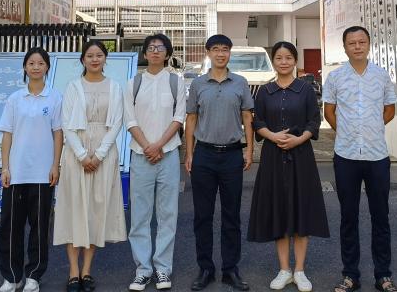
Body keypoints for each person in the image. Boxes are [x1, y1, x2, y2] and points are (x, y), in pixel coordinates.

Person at [322, 26, 397, 292]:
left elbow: (390, 109)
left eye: (362, 42)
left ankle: (383, 275)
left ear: (368, 45)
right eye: (352, 43)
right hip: (346, 155)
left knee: (381, 216)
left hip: (377, 155)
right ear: (345, 47)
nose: (357, 46)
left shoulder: (381, 75)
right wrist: (346, 131)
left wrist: (372, 128)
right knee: (348, 217)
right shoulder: (335, 77)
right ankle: (350, 275)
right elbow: (329, 111)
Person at [247, 41, 329, 292]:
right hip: (272, 157)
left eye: (288, 57)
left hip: (301, 156)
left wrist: (298, 139)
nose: (284, 62)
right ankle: (284, 269)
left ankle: (300, 271)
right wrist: (273, 136)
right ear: (273, 61)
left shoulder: (305, 89)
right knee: (279, 210)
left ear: (295, 61)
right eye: (279, 58)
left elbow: (314, 121)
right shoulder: (265, 91)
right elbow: (257, 122)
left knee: (301, 209)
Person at [54, 40, 126, 292]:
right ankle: (73, 271)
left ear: (105, 58)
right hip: (76, 154)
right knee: (74, 209)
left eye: (99, 55)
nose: (95, 59)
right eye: (90, 55)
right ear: (82, 59)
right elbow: (67, 124)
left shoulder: (115, 87)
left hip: (104, 154)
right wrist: (83, 155)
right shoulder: (73, 87)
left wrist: (99, 155)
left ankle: (87, 270)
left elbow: (116, 123)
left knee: (96, 209)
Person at [185, 33, 255, 291]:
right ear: (208, 53)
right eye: (215, 49)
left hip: (232, 155)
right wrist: (189, 153)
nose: (220, 53)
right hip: (204, 155)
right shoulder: (198, 84)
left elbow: (247, 117)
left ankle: (230, 270)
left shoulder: (240, 82)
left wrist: (250, 151)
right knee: (202, 216)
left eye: (225, 49)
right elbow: (191, 119)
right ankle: (205, 268)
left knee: (231, 215)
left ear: (229, 53)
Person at [0, 47, 64, 292]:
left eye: (40, 63)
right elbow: (7, 134)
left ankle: (34, 275)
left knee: (40, 226)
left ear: (47, 67)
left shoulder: (55, 97)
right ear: (25, 67)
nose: (36, 67)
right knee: (10, 226)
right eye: (31, 63)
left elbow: (58, 134)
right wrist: (5, 167)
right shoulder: (15, 98)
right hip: (16, 172)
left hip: (43, 173)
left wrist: (55, 165)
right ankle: (12, 277)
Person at [124, 33, 186, 291]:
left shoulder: (176, 82)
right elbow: (130, 120)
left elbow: (179, 117)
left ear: (167, 53)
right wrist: (148, 146)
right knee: (139, 215)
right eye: (151, 48)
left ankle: (162, 269)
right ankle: (142, 270)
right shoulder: (134, 83)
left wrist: (159, 145)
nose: (155, 51)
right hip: (141, 156)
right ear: (145, 53)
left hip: (168, 154)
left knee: (167, 215)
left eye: (160, 48)